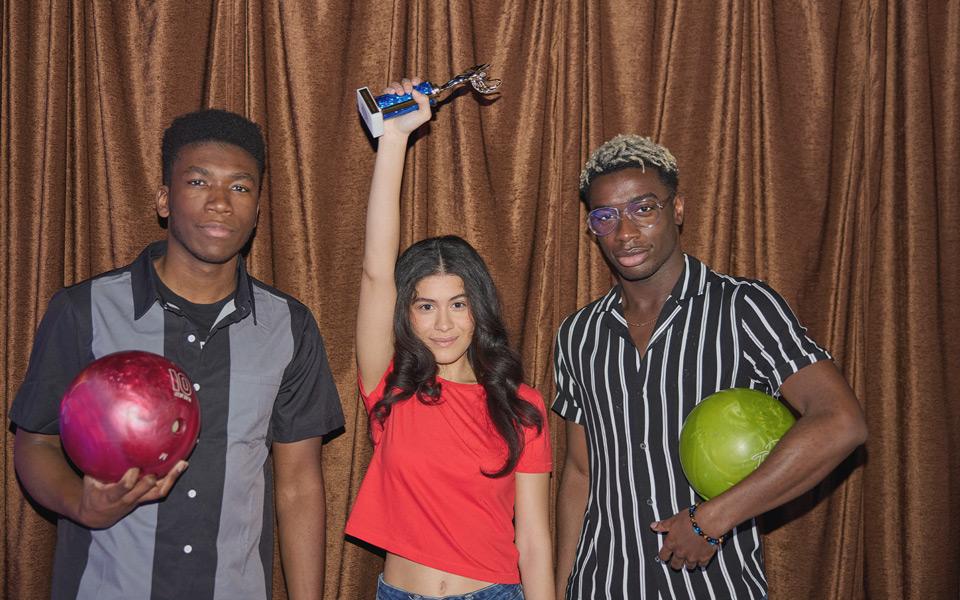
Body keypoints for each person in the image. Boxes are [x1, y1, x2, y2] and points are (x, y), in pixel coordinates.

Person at [10, 109, 345, 600]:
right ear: (165, 199)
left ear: (256, 209)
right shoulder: (84, 310)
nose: (219, 203)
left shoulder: (288, 327)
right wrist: (81, 504)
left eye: (240, 187)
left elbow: (297, 484)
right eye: (198, 181)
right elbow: (34, 442)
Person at [552, 134, 868, 599]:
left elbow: (841, 422)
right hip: (603, 585)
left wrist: (711, 520)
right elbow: (580, 473)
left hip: (713, 587)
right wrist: (561, 589)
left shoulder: (744, 307)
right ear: (591, 228)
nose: (624, 232)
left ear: (676, 209)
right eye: (605, 217)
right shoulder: (577, 334)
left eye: (643, 208)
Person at [344, 78, 554, 600]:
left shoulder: (523, 406)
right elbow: (376, 271)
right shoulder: (389, 388)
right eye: (425, 306)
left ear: (478, 311)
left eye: (458, 305)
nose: (443, 324)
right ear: (406, 315)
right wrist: (392, 141)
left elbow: (533, 538)